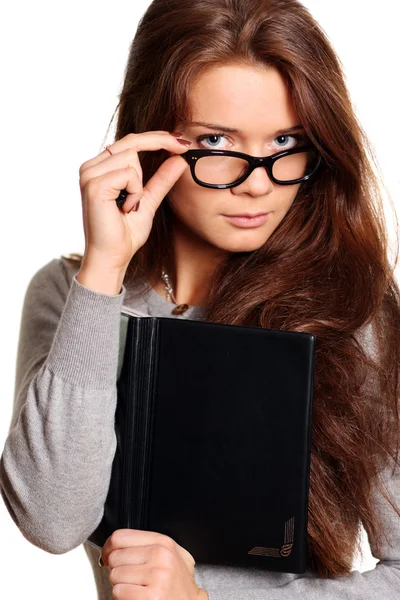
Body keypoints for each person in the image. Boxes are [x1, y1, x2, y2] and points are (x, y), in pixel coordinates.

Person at [1, 0, 399, 598]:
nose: (259, 181)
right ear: (151, 139)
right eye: (216, 139)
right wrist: (106, 267)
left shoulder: (351, 311)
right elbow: (52, 522)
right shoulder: (74, 294)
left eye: (286, 140)